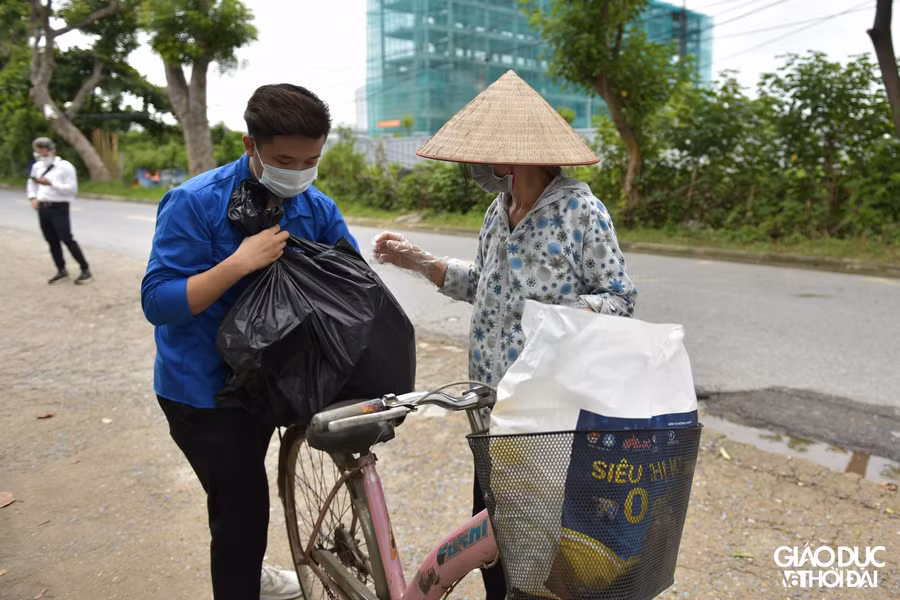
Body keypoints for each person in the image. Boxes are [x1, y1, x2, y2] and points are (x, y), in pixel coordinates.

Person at [373, 70, 637, 600]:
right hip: (489, 407)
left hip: (549, 415)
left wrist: (559, 313)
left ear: (515, 157)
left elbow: (620, 300)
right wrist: (415, 259)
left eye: (488, 154)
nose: (479, 166)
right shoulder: (498, 211)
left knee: (542, 543)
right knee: (491, 531)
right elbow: (486, 287)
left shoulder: (580, 212)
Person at [141, 83, 358, 600]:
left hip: (276, 378)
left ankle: (251, 566)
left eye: (311, 160)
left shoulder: (315, 206)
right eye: (285, 159)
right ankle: (244, 577)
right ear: (249, 146)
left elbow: (352, 282)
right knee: (241, 517)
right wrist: (238, 262)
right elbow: (158, 301)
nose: (299, 171)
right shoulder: (193, 203)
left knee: (242, 502)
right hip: (204, 392)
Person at [27, 137, 93, 285]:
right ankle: (61, 270)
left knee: (67, 238)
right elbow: (31, 184)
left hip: (59, 207)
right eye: (38, 153)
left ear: (51, 151)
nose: (40, 157)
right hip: (43, 208)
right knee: (51, 240)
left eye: (43, 153)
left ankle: (85, 269)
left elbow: (71, 189)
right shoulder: (37, 167)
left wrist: (51, 183)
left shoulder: (65, 167)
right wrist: (32, 198)